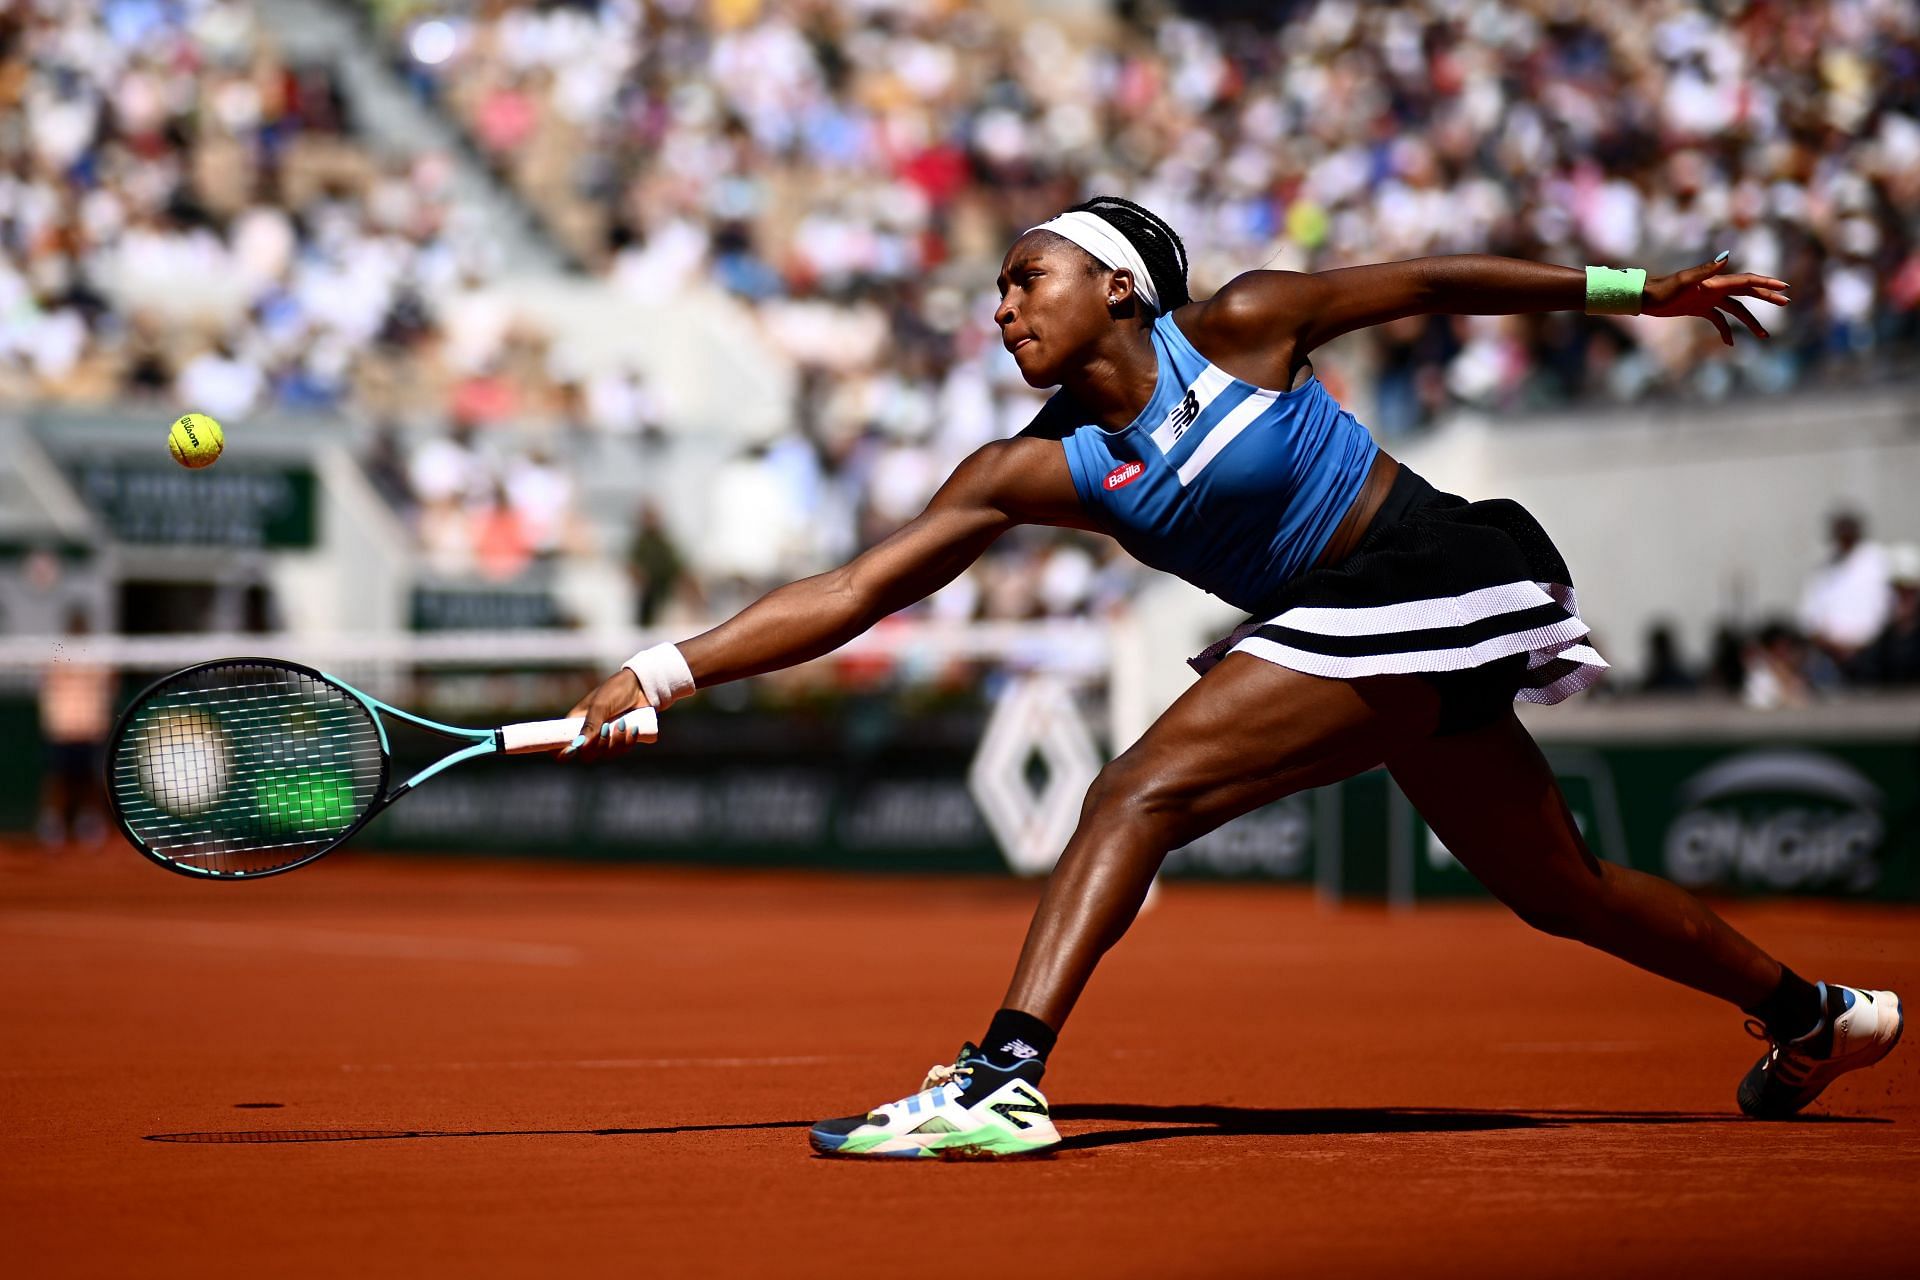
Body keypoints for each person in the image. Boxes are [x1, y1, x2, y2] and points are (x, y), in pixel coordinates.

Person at [563, 197, 1903, 1156]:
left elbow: (1433, 284)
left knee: (1135, 791)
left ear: (1120, 287)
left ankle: (1004, 1079)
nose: (1001, 305)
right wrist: (659, 668)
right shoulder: (1032, 467)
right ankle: (1816, 1015)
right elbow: (854, 591)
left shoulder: (1251, 321)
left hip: (1420, 567)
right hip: (1350, 629)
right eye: (1001, 288)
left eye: (1030, 277)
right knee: (1561, 890)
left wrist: (1636, 291)